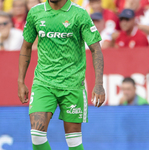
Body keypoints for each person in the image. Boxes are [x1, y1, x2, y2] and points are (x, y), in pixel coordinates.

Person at [18, 0, 105, 150]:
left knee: (74, 141)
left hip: (72, 84)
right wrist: (20, 81)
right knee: (37, 136)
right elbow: (26, 46)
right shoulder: (35, 13)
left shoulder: (79, 14)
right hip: (43, 83)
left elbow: (96, 49)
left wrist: (99, 84)